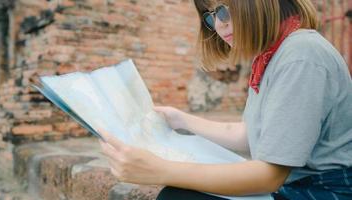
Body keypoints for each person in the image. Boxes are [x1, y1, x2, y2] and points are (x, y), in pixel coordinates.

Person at [99, 0, 352, 199]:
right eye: (210, 17)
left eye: (223, 10)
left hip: (323, 191)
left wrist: (160, 169)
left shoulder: (301, 55)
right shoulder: (272, 54)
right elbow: (247, 134)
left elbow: (269, 175)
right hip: (295, 185)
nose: (218, 25)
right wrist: (179, 119)